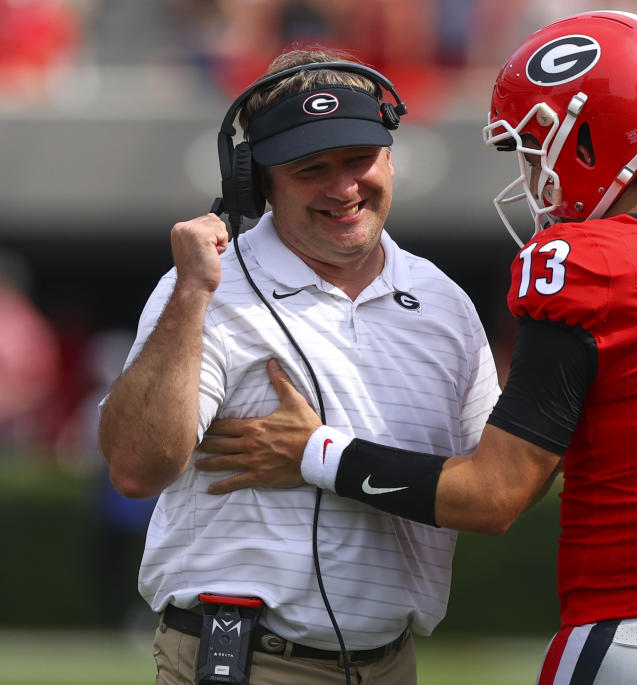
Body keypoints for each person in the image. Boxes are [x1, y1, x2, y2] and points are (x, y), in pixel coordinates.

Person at [196, 12, 637, 685]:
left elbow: (493, 494)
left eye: (534, 144)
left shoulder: (585, 263)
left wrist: (315, 451)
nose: (530, 169)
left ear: (587, 136)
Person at [97, 47, 500, 685]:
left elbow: (492, 493)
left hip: (392, 663)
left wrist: (322, 456)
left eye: (358, 160)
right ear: (255, 182)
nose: (344, 188)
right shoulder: (203, 290)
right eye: (312, 169)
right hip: (241, 661)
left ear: (390, 159)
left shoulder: (444, 303)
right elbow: (136, 468)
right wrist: (192, 294)